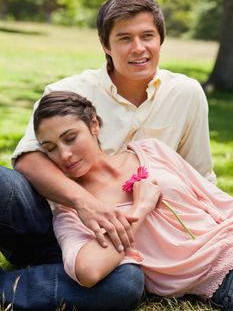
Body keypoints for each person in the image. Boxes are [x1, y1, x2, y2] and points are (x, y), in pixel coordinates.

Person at [0, 0, 215, 310]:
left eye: (147, 36)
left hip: (120, 246)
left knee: (125, 284)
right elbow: (29, 159)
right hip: (55, 225)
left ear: (161, 39)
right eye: (124, 38)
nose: (138, 49)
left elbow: (198, 174)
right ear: (106, 45)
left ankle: (16, 287)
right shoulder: (67, 91)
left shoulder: (185, 94)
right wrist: (84, 203)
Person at [33, 90, 233, 311]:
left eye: (70, 138)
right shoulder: (72, 210)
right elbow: (89, 271)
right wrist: (140, 209)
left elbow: (219, 201)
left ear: (94, 125)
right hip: (222, 278)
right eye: (50, 149)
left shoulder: (151, 150)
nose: (65, 155)